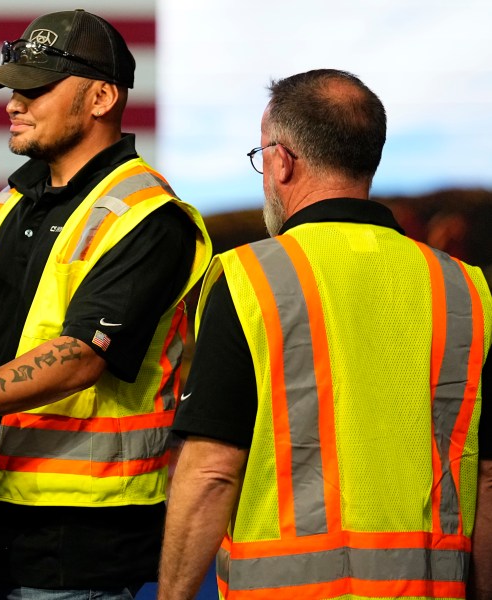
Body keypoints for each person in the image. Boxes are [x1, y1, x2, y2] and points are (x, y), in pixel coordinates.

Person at [0, 9, 212, 599]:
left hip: (81, 547)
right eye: (13, 88)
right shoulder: (3, 210)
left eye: (36, 87)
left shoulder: (149, 218)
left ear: (101, 97)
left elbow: (79, 357)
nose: (13, 104)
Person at [158, 69, 492, 600]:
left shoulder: (251, 278)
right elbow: (485, 477)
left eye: (260, 155)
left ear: (283, 160)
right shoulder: (464, 289)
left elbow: (213, 470)